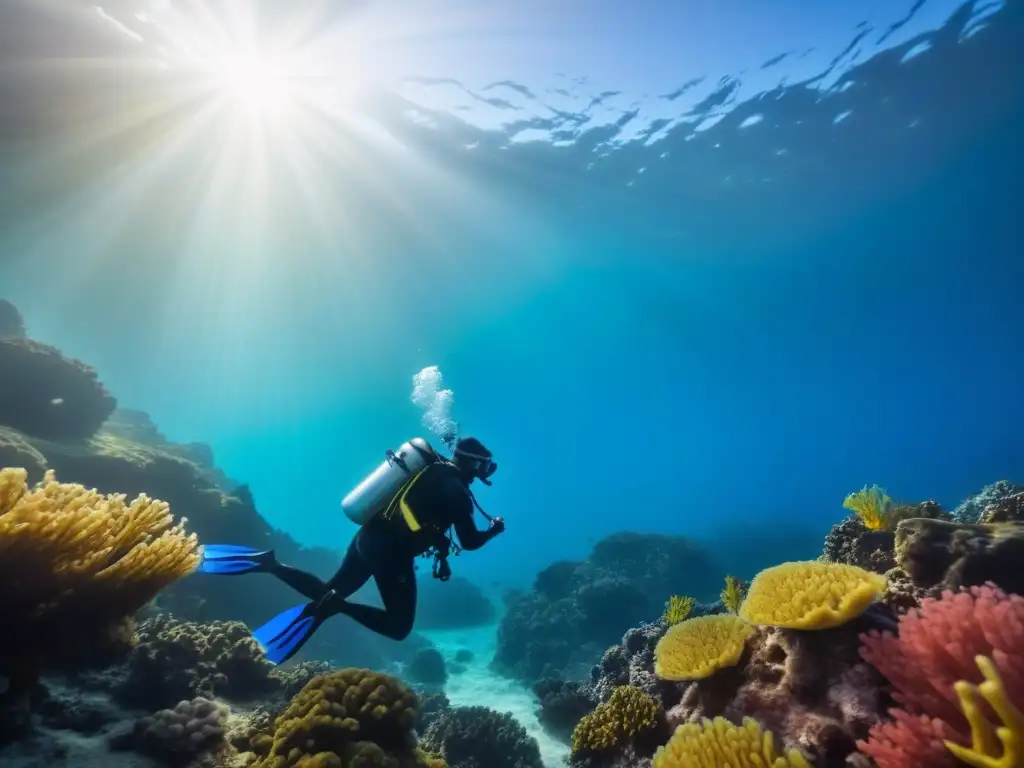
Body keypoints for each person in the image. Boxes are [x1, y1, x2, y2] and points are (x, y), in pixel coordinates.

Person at [196, 437, 505, 664]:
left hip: (366, 538)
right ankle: (334, 606)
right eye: (486, 466)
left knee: (328, 591)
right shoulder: (458, 492)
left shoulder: (433, 470)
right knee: (398, 627)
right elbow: (470, 542)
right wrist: (493, 530)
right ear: (474, 464)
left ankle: (270, 564)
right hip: (390, 554)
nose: (487, 472)